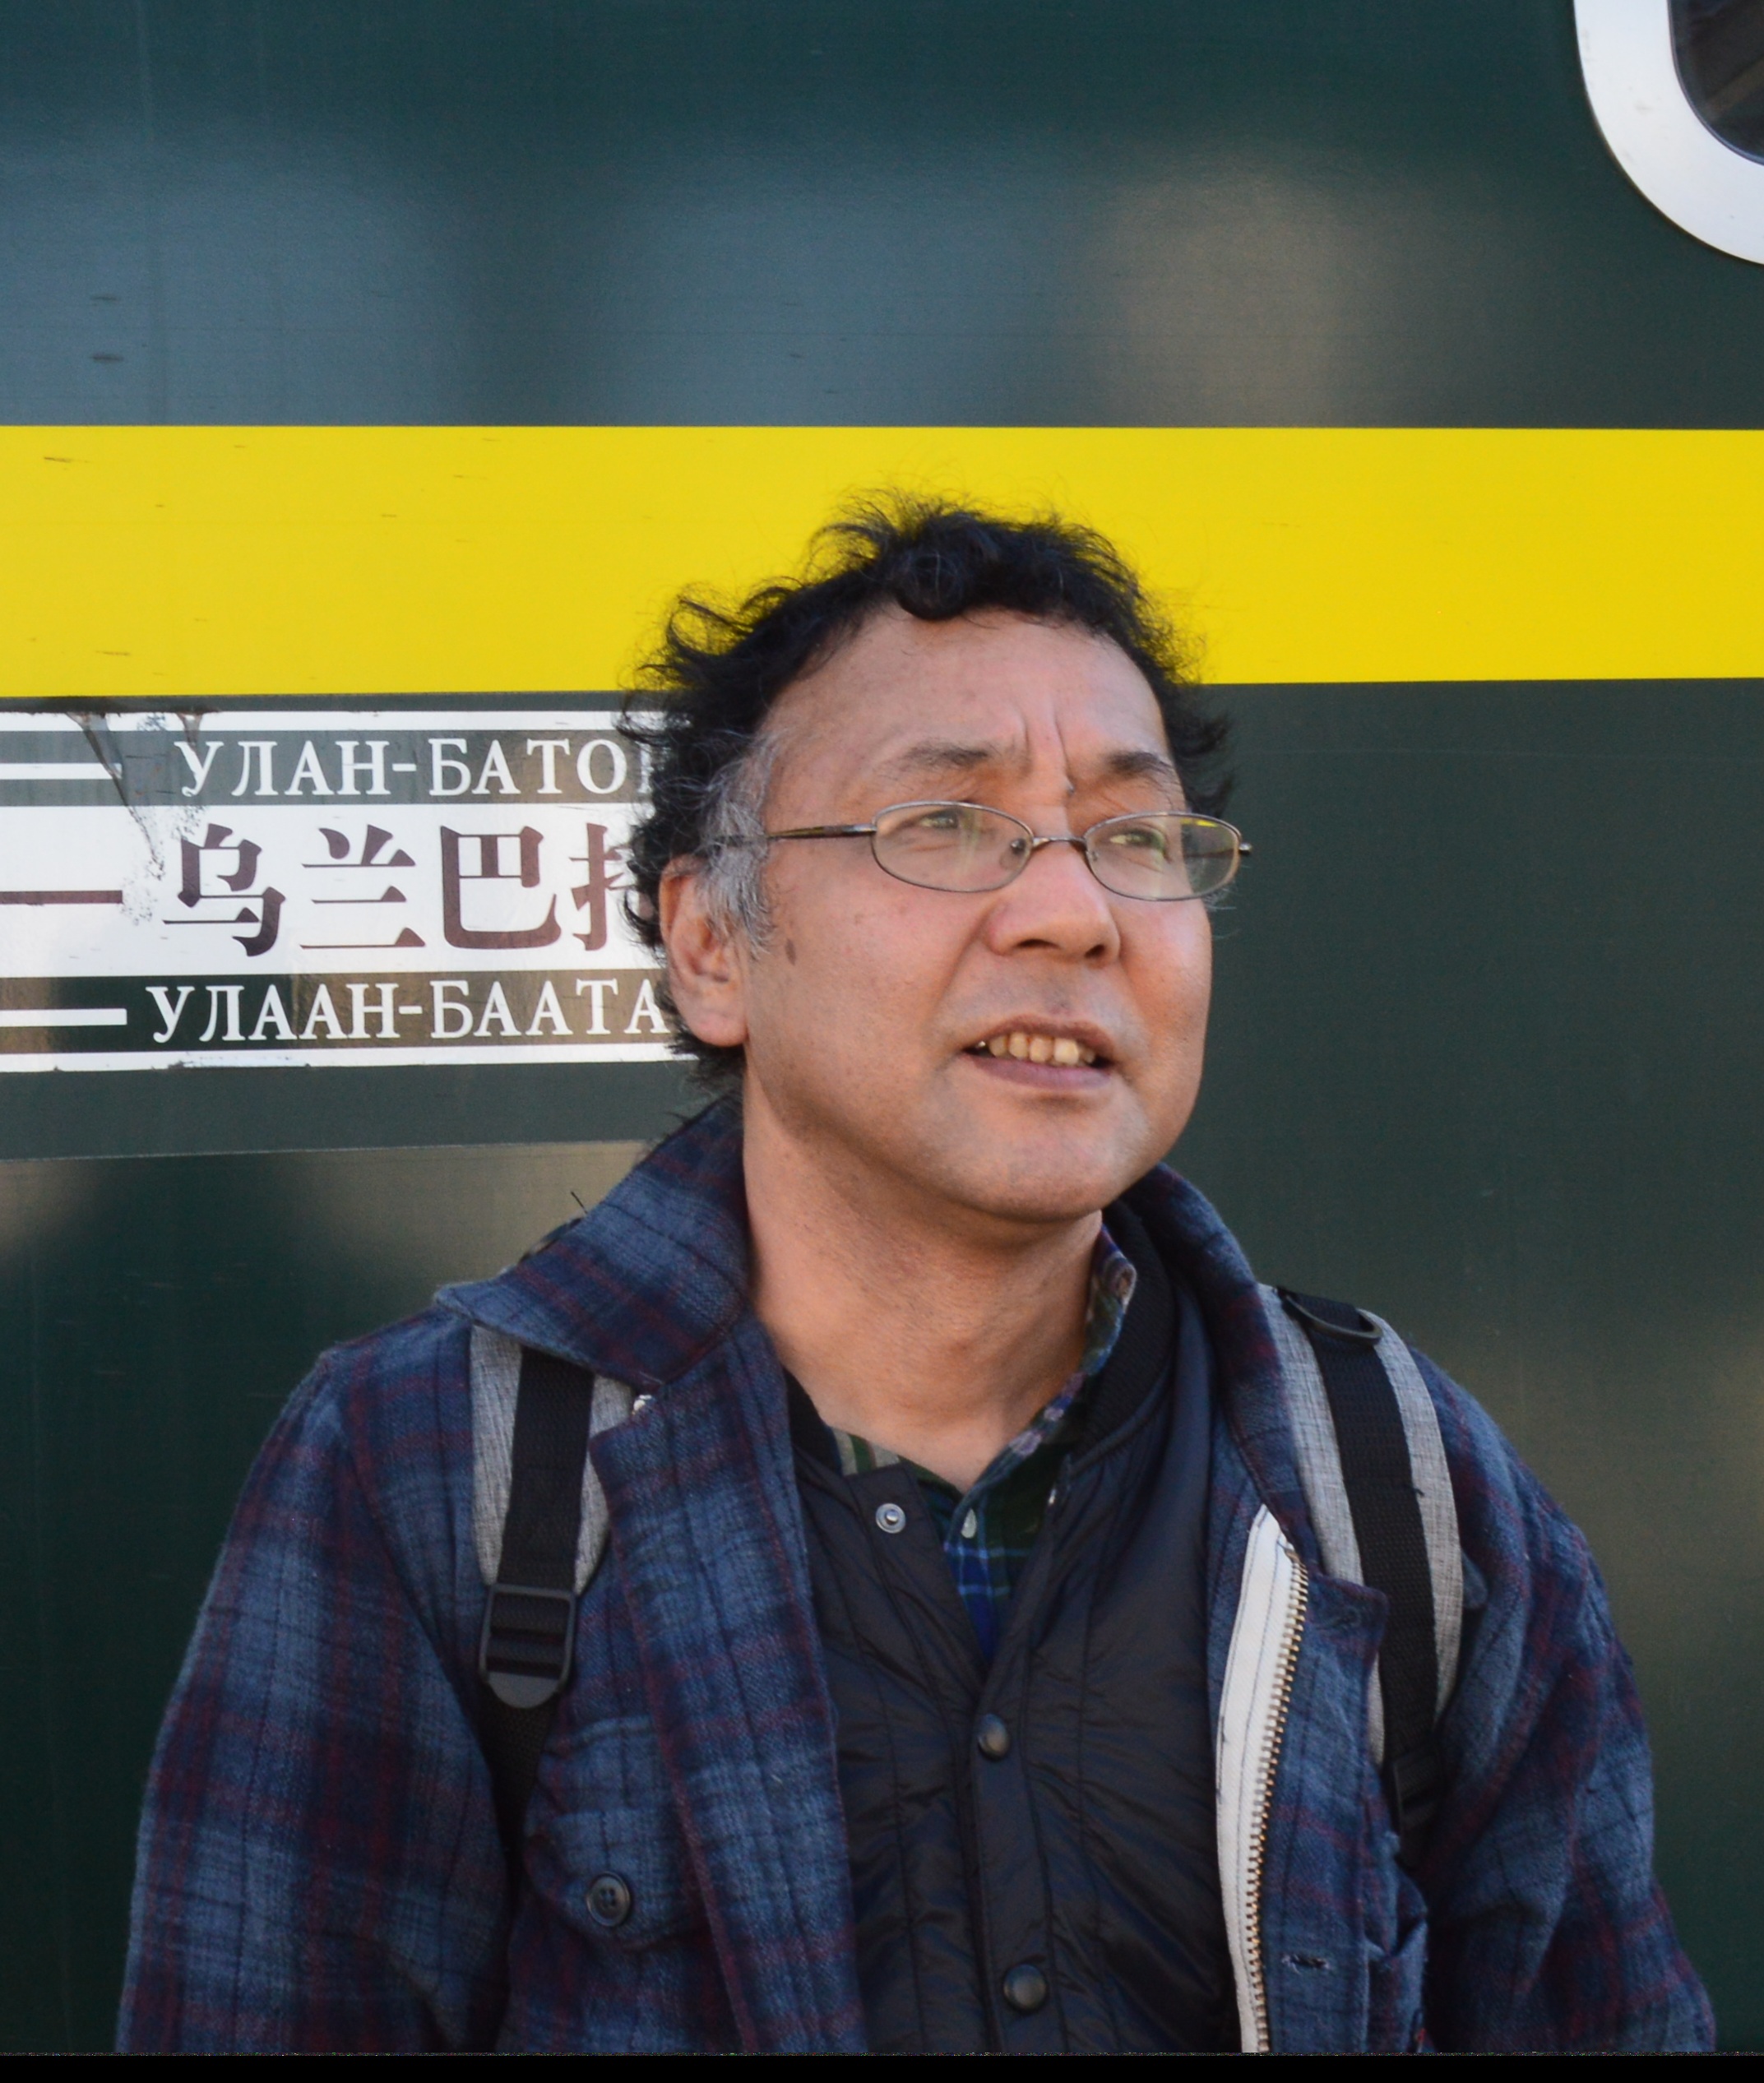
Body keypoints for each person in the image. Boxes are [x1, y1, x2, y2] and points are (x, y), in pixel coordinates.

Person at [118, 502, 1712, 2053]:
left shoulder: (1388, 1476)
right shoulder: (436, 1470)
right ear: (712, 943)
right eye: (943, 823)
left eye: (1133, 836)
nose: (1072, 912)